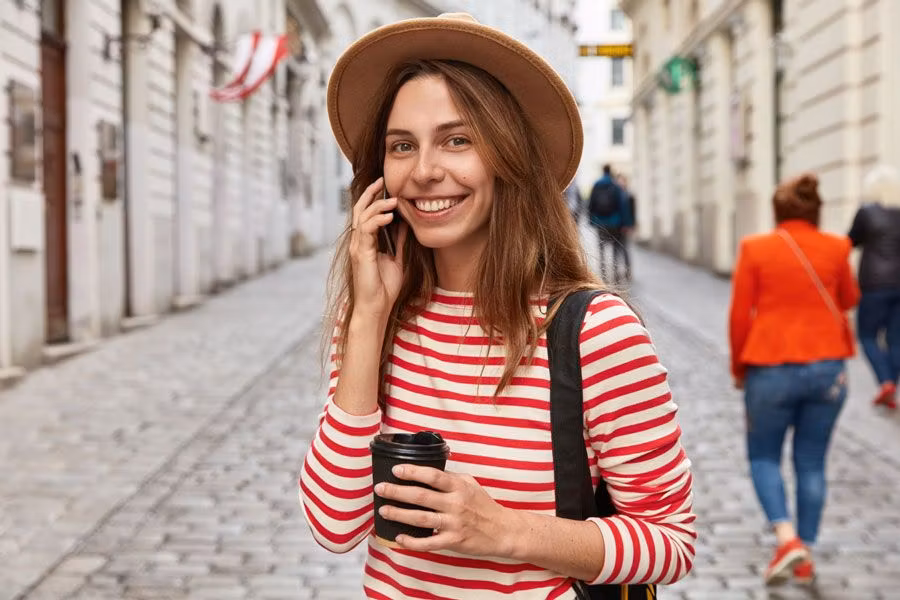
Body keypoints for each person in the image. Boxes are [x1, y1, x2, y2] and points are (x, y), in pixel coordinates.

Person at [299, 13, 695, 599]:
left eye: (457, 140)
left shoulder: (594, 332)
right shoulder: (371, 324)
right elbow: (335, 524)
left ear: (509, 157)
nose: (424, 171)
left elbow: (670, 543)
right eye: (402, 146)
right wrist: (367, 320)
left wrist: (504, 531)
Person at [729, 173, 860, 586]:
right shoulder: (837, 247)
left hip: (769, 366)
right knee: (812, 460)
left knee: (764, 457)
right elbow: (850, 299)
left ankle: (787, 539)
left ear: (777, 212)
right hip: (827, 369)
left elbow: (739, 315)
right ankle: (805, 553)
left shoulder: (755, 249)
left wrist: (738, 368)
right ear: (817, 211)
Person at [847, 164, 900, 409]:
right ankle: (891, 386)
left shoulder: (867, 212)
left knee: (867, 335)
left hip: (874, 284)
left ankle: (885, 381)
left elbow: (850, 241)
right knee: (896, 339)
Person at [587, 165, 631, 284]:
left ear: (603, 171)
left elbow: (591, 204)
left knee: (601, 249)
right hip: (614, 222)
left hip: (600, 222)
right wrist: (625, 222)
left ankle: (603, 275)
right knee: (615, 249)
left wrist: (591, 220)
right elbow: (622, 205)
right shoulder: (615, 186)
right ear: (611, 172)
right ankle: (616, 274)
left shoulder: (596, 184)